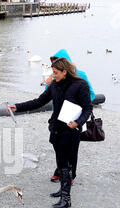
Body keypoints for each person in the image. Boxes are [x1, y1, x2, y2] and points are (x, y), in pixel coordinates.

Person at [8, 58, 92, 208]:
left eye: (55, 73)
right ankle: (62, 189)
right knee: (60, 161)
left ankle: (66, 198)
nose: (53, 76)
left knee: (65, 162)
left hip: (71, 130)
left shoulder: (80, 85)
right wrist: (18, 107)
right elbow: (39, 101)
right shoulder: (54, 85)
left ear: (65, 71)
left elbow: (87, 109)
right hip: (56, 129)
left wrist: (78, 123)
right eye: (52, 73)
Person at [44, 49, 95, 184]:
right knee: (59, 148)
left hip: (74, 117)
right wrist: (48, 83)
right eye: (53, 62)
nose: (54, 65)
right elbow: (46, 96)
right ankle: (60, 171)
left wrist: (76, 104)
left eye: (56, 61)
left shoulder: (81, 76)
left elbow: (91, 95)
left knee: (72, 150)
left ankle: (71, 175)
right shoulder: (55, 76)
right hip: (57, 118)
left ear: (65, 64)